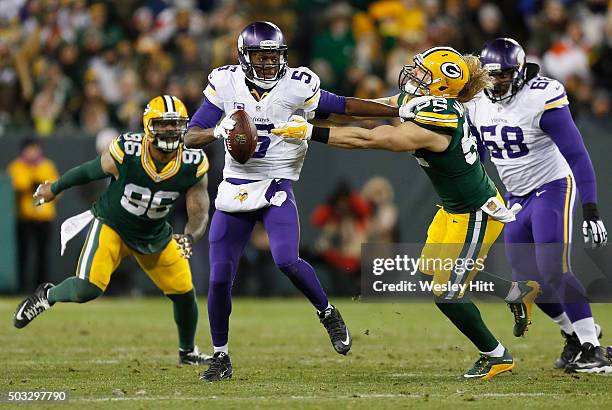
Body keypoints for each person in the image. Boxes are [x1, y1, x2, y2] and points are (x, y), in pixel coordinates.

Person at [272, 46, 540, 380]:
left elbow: (372, 138)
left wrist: (312, 131)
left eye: (423, 75)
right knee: (433, 272)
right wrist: (316, 107)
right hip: (455, 208)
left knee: (448, 294)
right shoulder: (428, 101)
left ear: (443, 86)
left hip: (476, 212)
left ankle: (496, 355)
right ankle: (517, 293)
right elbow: (380, 107)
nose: (413, 77)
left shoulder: (436, 123)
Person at [184, 21, 398, 382]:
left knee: (287, 260)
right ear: (242, 57)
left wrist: (393, 110)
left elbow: (343, 105)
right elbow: (190, 136)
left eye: (273, 56)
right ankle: (220, 357)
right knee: (220, 279)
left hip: (276, 183)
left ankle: (327, 312)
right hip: (235, 183)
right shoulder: (225, 81)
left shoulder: (297, 84)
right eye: (259, 56)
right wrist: (216, 131)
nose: (268, 64)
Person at [13, 95, 212, 366]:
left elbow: (199, 210)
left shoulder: (193, 162)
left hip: (154, 234)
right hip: (113, 225)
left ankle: (187, 352)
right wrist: (54, 188)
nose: (170, 131)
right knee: (87, 289)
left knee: (184, 293)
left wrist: (190, 236)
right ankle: (46, 295)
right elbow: (89, 171)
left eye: (175, 125)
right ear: (148, 126)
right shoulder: (128, 149)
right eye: (162, 125)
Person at [462, 38, 608, 373]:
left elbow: (577, 154)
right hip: (515, 197)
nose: (497, 80)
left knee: (553, 267)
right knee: (526, 283)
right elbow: (480, 154)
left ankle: (594, 349)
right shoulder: (475, 102)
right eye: (492, 74)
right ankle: (574, 336)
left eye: (505, 74)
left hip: (552, 186)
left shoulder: (540, 96)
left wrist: (591, 208)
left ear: (519, 71)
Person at [7, 138, 59, 292]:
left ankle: (41, 288)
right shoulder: (16, 166)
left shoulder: (47, 165)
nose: (32, 152)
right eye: (29, 149)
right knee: (23, 254)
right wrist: (30, 184)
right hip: (25, 217)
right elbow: (15, 187)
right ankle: (21, 287)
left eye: (35, 149)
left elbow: (57, 188)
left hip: (44, 217)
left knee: (42, 255)